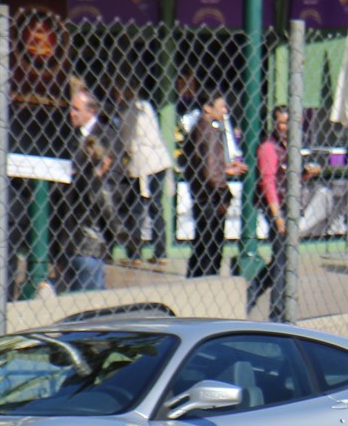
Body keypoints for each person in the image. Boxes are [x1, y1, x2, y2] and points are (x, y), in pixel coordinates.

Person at [247, 105, 320, 320]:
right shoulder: (269, 148)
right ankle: (277, 315)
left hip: (288, 205)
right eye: (281, 122)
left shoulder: (291, 146)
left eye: (290, 122)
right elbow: (268, 183)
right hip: (275, 206)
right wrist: (277, 217)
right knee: (281, 260)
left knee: (282, 259)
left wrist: (306, 174)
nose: (285, 127)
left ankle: (250, 297)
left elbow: (289, 180)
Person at [54, 89, 119, 292]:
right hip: (68, 229)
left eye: (76, 109)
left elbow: (112, 184)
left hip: (91, 231)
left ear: (91, 111)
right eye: (70, 108)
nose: (71, 114)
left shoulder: (106, 136)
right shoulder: (67, 136)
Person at [186, 92, 246, 279]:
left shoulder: (200, 128)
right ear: (207, 108)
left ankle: (195, 278)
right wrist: (224, 180)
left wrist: (224, 167)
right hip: (211, 197)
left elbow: (205, 162)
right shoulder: (208, 131)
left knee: (201, 245)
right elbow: (210, 170)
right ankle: (207, 280)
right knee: (211, 247)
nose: (225, 111)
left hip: (201, 194)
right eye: (221, 107)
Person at [117, 81, 174, 266]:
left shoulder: (131, 112)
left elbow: (128, 142)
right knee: (155, 207)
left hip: (141, 163)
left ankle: (135, 254)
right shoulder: (147, 107)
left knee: (137, 208)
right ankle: (161, 252)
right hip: (159, 161)